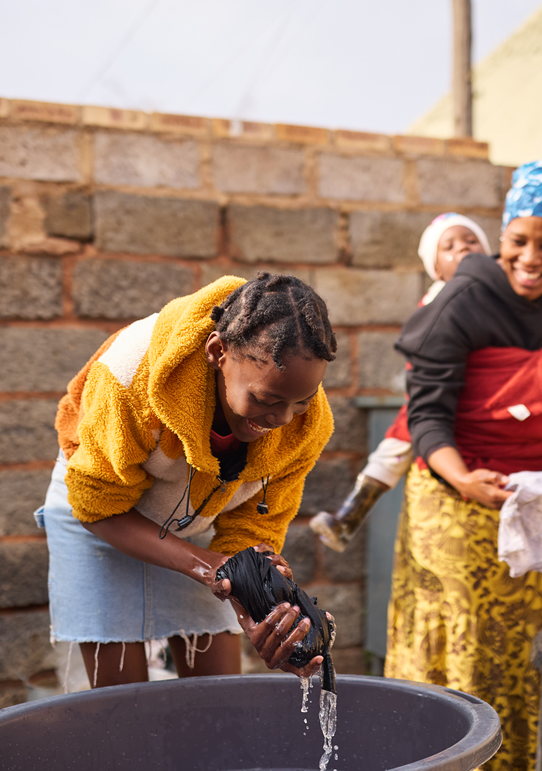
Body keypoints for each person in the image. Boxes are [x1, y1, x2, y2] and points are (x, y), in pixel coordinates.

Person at [384, 161, 542, 771]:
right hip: (454, 497)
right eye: (519, 241)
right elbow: (427, 415)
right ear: (502, 237)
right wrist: (463, 478)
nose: (531, 257)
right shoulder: (464, 299)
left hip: (534, 505)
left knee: (530, 649)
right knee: (462, 645)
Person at [39, 272, 338, 688]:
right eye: (266, 400)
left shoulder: (306, 426)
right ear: (218, 352)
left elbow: (251, 529)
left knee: (217, 702)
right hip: (102, 514)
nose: (282, 420)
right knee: (121, 702)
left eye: (301, 402)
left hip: (198, 519)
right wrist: (208, 567)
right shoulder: (130, 376)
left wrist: (256, 606)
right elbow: (97, 505)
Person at [310, 213, 491, 551]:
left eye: (471, 240)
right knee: (397, 443)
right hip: (439, 392)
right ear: (436, 268)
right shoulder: (438, 300)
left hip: (485, 389)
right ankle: (350, 513)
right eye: (449, 247)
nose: (463, 249)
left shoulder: (499, 293)